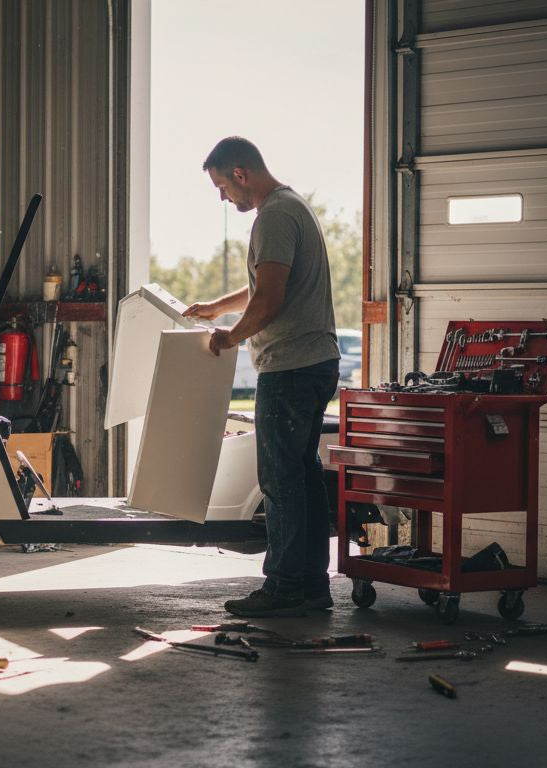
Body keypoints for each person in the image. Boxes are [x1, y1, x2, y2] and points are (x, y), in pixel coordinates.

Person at [184, 136, 340, 617]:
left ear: (241, 173)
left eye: (222, 187)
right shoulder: (293, 207)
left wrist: (230, 338)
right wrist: (217, 306)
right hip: (315, 362)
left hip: (291, 368)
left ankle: (287, 588)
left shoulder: (273, 215)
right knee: (302, 475)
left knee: (281, 479)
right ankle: (311, 585)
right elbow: (265, 283)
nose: (223, 198)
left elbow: (269, 300)